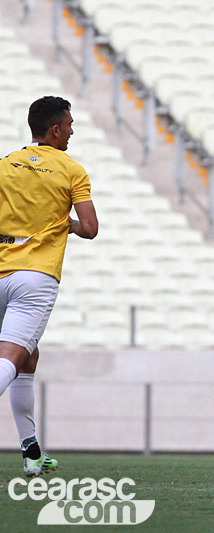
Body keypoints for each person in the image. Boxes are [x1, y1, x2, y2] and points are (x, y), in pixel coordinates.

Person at [0, 96, 98, 476]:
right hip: (35, 277)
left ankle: (31, 451)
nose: (72, 130)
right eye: (70, 124)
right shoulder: (72, 170)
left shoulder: (6, 165)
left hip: (2, 271)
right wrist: (66, 224)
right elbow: (89, 228)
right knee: (10, 358)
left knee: (28, 357)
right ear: (55, 129)